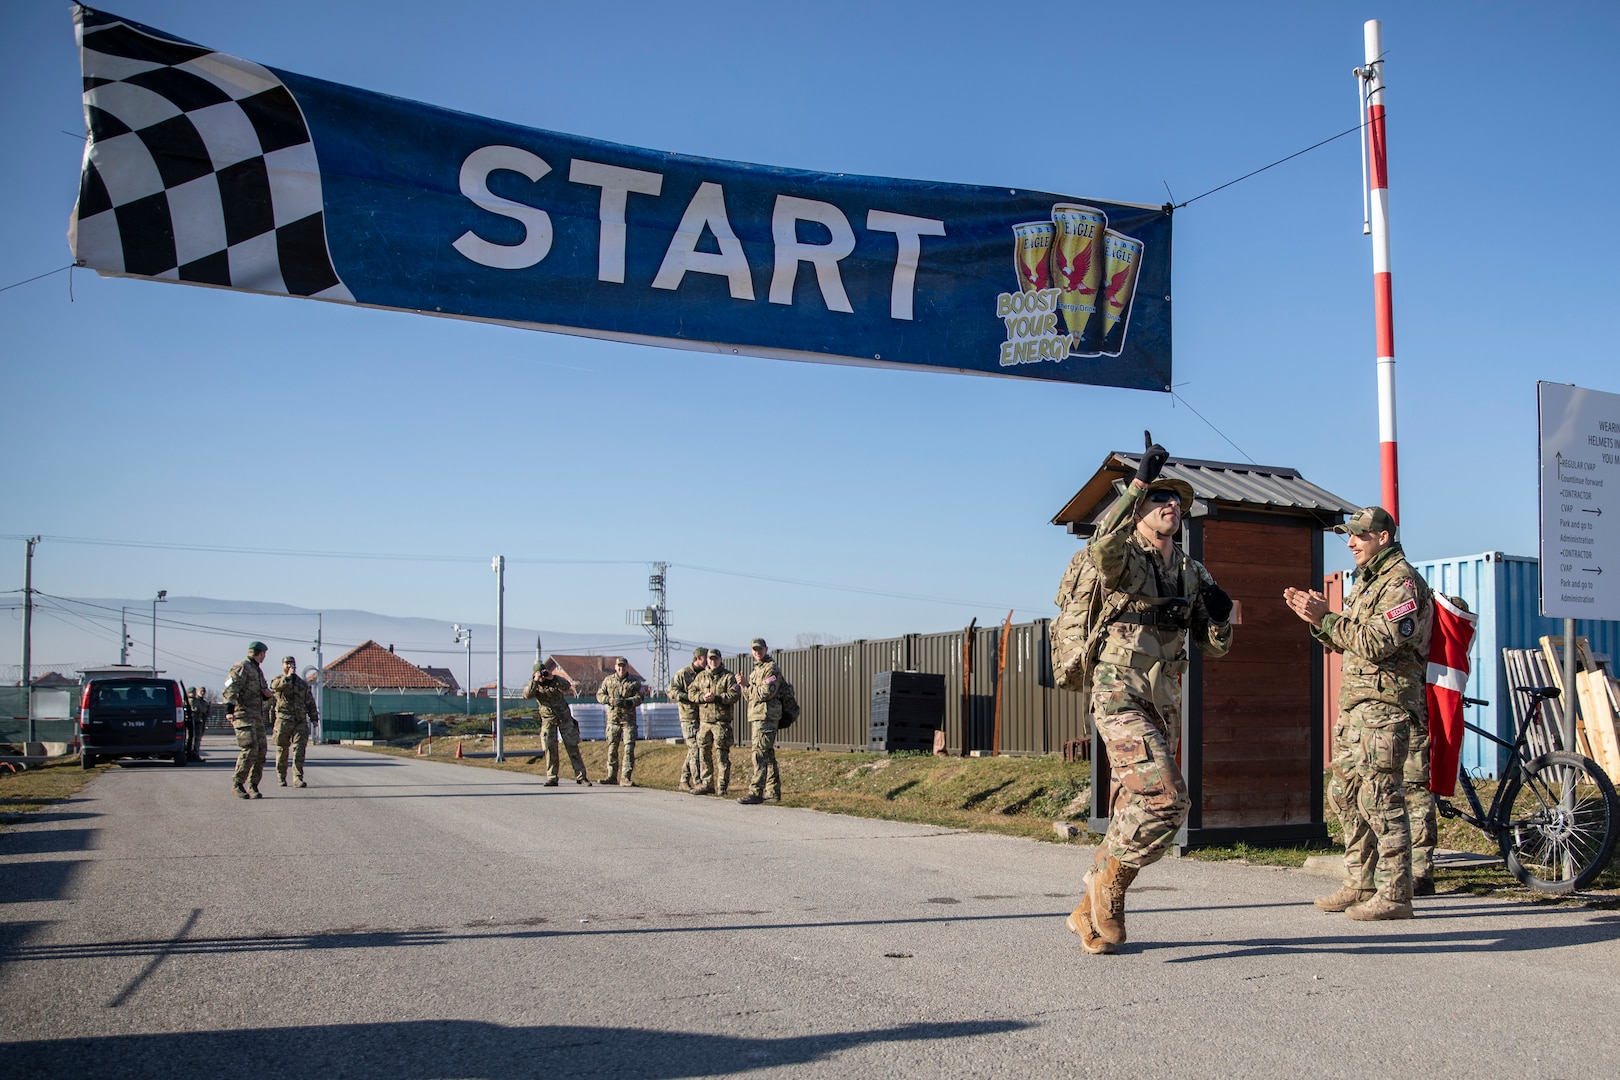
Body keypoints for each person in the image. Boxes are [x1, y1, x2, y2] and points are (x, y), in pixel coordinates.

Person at [1060, 439, 1235, 955]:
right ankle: (1108, 886)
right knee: (1166, 798)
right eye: (1159, 499)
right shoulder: (1126, 558)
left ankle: (1087, 910)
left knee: (1131, 805)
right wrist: (1137, 480)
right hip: (1119, 692)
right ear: (1138, 510)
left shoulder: (1190, 570)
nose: (1171, 506)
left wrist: (1221, 617)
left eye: (1176, 501)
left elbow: (1213, 644)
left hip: (1164, 700)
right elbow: (1101, 548)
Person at [1285, 505, 1433, 920]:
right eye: (1348, 536)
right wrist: (1319, 622)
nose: (1350, 543)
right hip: (1356, 707)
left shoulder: (1400, 583)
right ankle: (1360, 882)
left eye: (1358, 536)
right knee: (1345, 793)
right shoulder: (1367, 583)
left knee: (1381, 797)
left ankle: (1395, 894)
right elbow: (1347, 640)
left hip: (1386, 709)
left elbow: (1375, 643)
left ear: (1382, 537)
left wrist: (1326, 618)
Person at [523, 661, 592, 786]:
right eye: (540, 673)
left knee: (572, 747)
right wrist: (535, 680)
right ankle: (552, 777)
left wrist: (553, 677)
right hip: (548, 720)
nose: (543, 676)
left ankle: (581, 776)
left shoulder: (554, 681)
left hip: (564, 718)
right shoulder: (534, 685)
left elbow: (566, 686)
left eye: (544, 672)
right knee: (550, 749)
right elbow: (527, 695)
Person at [221, 641, 273, 799]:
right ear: (260, 653)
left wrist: (269, 694)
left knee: (261, 751)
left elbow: (263, 692)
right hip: (243, 716)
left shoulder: (258, 670)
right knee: (249, 749)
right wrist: (229, 710)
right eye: (264, 654)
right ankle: (237, 784)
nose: (265, 657)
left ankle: (253, 785)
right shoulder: (241, 666)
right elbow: (230, 687)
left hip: (256, 717)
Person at [688, 648, 739, 796]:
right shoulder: (701, 677)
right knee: (704, 754)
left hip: (721, 723)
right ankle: (707, 783)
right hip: (704, 722)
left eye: (715, 659)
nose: (713, 661)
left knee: (721, 755)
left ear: (720, 659)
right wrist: (702, 697)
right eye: (710, 659)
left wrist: (717, 698)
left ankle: (722, 785)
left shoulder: (728, 677)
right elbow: (691, 693)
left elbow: (734, 695)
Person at [738, 637, 782, 805]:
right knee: (767, 754)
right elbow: (750, 696)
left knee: (759, 753)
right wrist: (744, 686)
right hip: (757, 715)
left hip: (766, 716)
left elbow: (766, 693)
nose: (757, 652)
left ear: (766, 649)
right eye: (754, 650)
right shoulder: (755, 671)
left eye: (760, 649)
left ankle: (756, 792)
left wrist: (748, 686)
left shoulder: (771, 669)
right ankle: (772, 791)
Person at [270, 656, 318, 788]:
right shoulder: (278, 680)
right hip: (284, 720)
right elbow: (276, 687)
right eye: (287, 664)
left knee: (299, 749)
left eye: (292, 664)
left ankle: (297, 777)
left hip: (299, 720)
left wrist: (314, 718)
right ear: (283, 666)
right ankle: (281, 776)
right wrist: (288, 677)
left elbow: (309, 701)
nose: (290, 666)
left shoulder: (301, 684)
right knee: (282, 749)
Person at [596, 657, 645, 786]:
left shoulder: (634, 682)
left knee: (628, 748)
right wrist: (609, 700)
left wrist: (629, 702)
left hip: (628, 721)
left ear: (627, 667)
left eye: (623, 666)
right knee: (612, 748)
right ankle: (611, 776)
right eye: (619, 666)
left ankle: (625, 777)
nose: (621, 669)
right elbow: (599, 695)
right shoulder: (608, 680)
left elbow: (641, 697)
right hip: (613, 720)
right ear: (615, 667)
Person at [668, 646, 709, 792]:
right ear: (698, 658)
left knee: (695, 749)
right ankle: (698, 782)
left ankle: (684, 780)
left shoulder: (706, 674)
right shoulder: (683, 673)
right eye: (706, 658)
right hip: (688, 717)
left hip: (703, 716)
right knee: (695, 749)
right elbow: (671, 691)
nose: (708, 661)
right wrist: (688, 697)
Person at [185, 686, 209, 762]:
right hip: (190, 722)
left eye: (203, 692)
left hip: (198, 721)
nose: (202, 693)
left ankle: (194, 754)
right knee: (189, 738)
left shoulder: (201, 702)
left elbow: (204, 711)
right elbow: (197, 709)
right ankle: (188, 754)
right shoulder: (190, 701)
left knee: (197, 739)